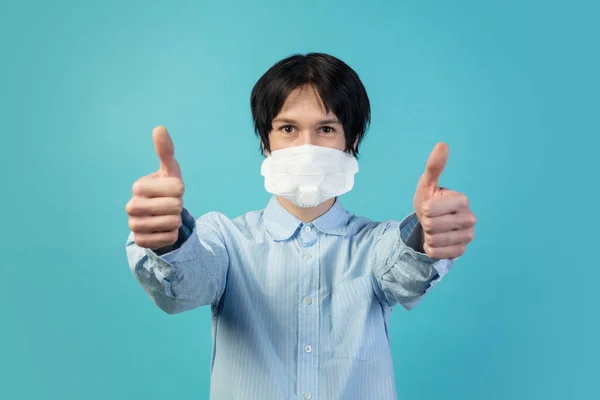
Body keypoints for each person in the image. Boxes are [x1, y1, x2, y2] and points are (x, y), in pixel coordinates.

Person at [125, 52, 476, 400]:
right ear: (266, 141)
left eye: (325, 129)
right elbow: (184, 285)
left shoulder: (374, 245)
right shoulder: (227, 240)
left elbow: (404, 273)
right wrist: (169, 240)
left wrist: (425, 234)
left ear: (350, 142)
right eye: (288, 128)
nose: (306, 147)